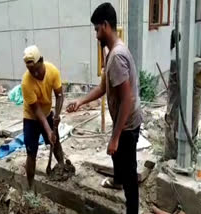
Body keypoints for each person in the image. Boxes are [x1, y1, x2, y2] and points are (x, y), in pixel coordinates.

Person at [66, 3, 142, 213]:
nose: (96, 35)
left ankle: (132, 209)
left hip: (127, 122)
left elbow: (126, 99)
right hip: (123, 119)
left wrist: (115, 136)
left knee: (129, 171)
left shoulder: (116, 57)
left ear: (106, 26)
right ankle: (117, 181)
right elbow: (103, 87)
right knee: (117, 157)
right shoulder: (112, 53)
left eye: (96, 29)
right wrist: (81, 101)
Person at [21, 45, 64, 189]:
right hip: (31, 118)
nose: (35, 74)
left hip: (48, 113)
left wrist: (57, 115)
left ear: (42, 61)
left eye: (37, 69)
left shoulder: (53, 71)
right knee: (31, 152)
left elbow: (59, 95)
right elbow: (36, 110)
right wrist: (48, 130)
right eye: (31, 71)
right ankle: (30, 187)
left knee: (55, 143)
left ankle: (62, 168)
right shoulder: (26, 82)